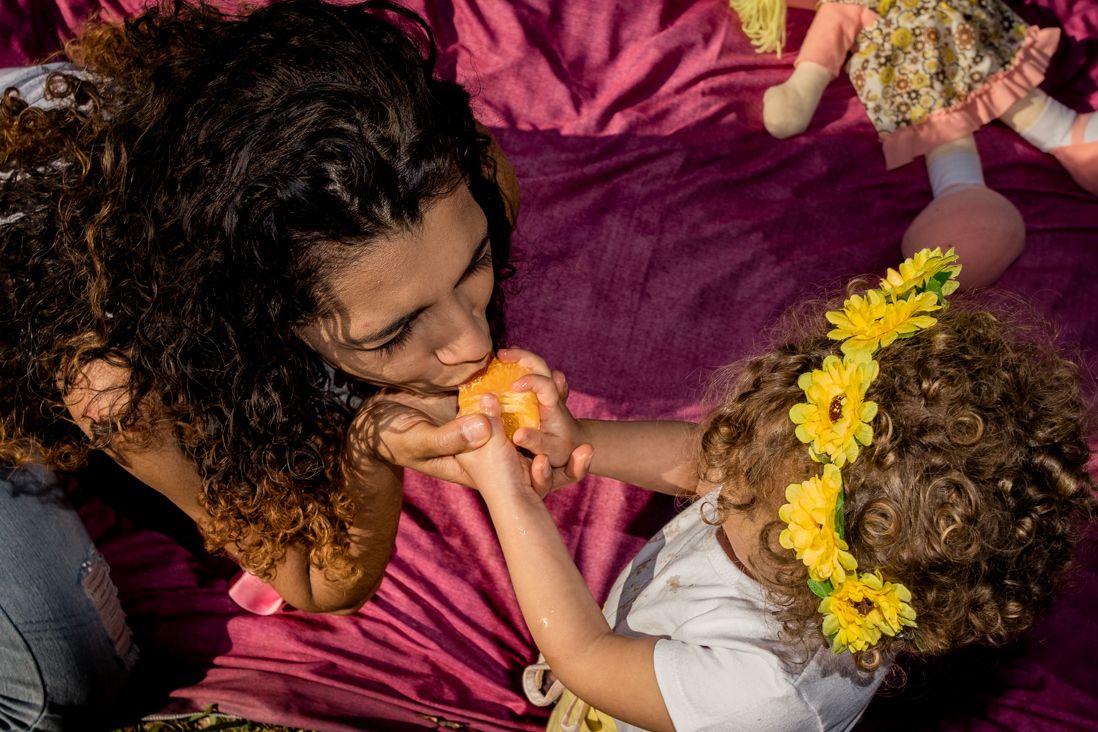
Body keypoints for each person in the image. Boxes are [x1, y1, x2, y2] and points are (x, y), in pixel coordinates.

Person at [1, 1, 589, 727]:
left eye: (473, 265)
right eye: (395, 327)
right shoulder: (125, 382)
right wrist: (371, 449)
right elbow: (311, 578)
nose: (472, 344)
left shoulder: (451, 176)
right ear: (256, 321)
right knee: (66, 690)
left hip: (71, 149)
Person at [455, 249, 1096, 731]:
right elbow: (702, 460)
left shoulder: (765, 689)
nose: (730, 468)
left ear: (815, 553)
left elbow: (584, 652)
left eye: (750, 481)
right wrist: (578, 439)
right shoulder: (817, 499)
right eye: (749, 448)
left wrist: (506, 494)